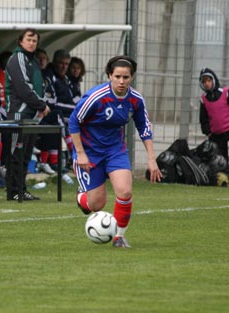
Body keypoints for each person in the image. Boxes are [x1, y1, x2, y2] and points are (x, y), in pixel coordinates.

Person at [69, 55, 162, 248]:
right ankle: (82, 196)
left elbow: (144, 127)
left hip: (114, 150)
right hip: (90, 152)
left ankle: (119, 237)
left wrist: (151, 159)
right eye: (117, 76)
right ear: (109, 75)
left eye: (126, 77)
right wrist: (81, 153)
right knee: (96, 204)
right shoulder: (97, 97)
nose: (121, 81)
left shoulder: (135, 100)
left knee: (125, 191)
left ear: (132, 78)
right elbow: (74, 121)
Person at [5, 28, 51, 200]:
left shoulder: (33, 61)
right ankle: (13, 191)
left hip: (32, 115)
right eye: (29, 39)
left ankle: (21, 189)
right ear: (21, 41)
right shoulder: (17, 58)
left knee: (26, 154)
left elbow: (38, 87)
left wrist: (40, 106)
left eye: (34, 40)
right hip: (19, 114)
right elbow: (23, 87)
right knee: (16, 153)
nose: (32, 43)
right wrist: (42, 105)